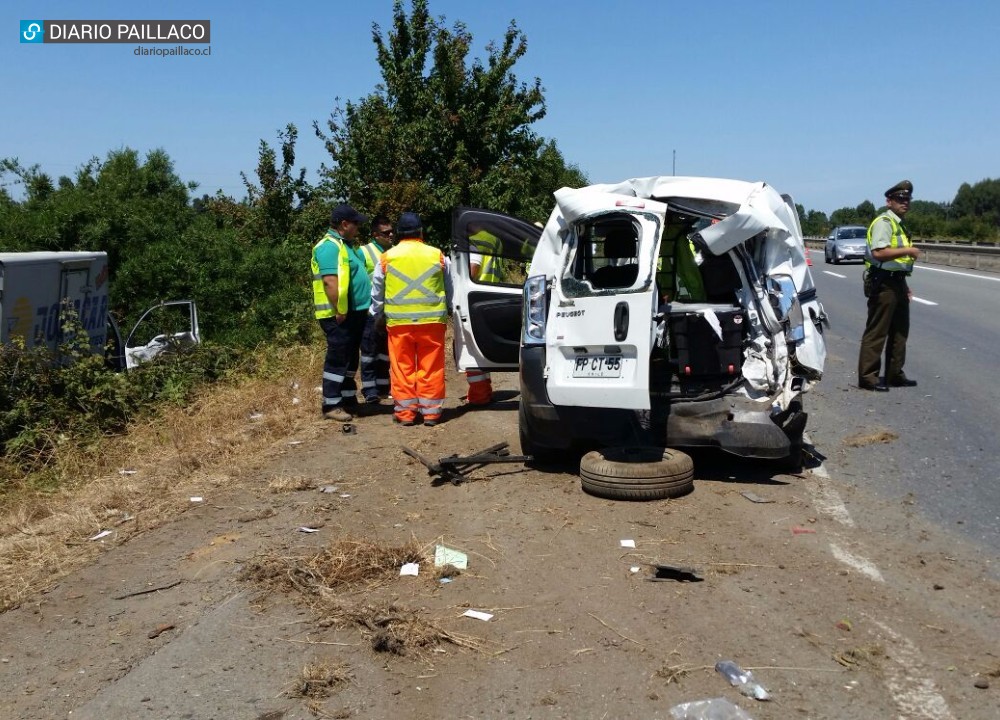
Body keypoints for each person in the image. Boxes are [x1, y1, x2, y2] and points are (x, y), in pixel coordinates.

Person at [369, 212, 453, 426]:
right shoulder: (437, 255)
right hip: (432, 322)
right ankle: (431, 413)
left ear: (398, 233)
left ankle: (406, 414)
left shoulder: (387, 257)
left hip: (399, 324)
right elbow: (449, 286)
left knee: (402, 367)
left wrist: (376, 313)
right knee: (431, 367)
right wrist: (450, 308)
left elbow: (377, 290)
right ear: (421, 232)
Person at [857, 180, 922, 392]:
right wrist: (909, 251)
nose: (905, 203)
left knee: (900, 331)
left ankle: (895, 374)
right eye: (900, 199)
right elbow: (879, 252)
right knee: (877, 331)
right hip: (883, 282)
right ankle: (868, 377)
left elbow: (895, 261)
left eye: (907, 199)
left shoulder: (898, 223)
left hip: (897, 282)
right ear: (889, 201)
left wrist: (904, 285)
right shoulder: (884, 222)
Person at [311, 203, 371, 421]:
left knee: (349, 357)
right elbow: (330, 282)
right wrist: (340, 308)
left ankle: (348, 399)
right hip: (338, 314)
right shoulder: (329, 247)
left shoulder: (345, 245)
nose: (358, 228)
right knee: (337, 358)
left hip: (354, 312)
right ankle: (331, 404)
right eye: (355, 224)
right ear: (344, 224)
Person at [358, 215, 395, 404]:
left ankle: (383, 387)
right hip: (371, 310)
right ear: (375, 234)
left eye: (391, 231)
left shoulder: (395, 253)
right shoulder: (364, 252)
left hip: (389, 311)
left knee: (385, 352)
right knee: (369, 351)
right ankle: (369, 389)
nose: (391, 235)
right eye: (385, 232)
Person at [464, 223, 502, 405]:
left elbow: (473, 268)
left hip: (475, 294)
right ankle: (484, 391)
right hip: (495, 292)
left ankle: (479, 395)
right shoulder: (495, 240)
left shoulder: (472, 242)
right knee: (482, 346)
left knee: (471, 348)